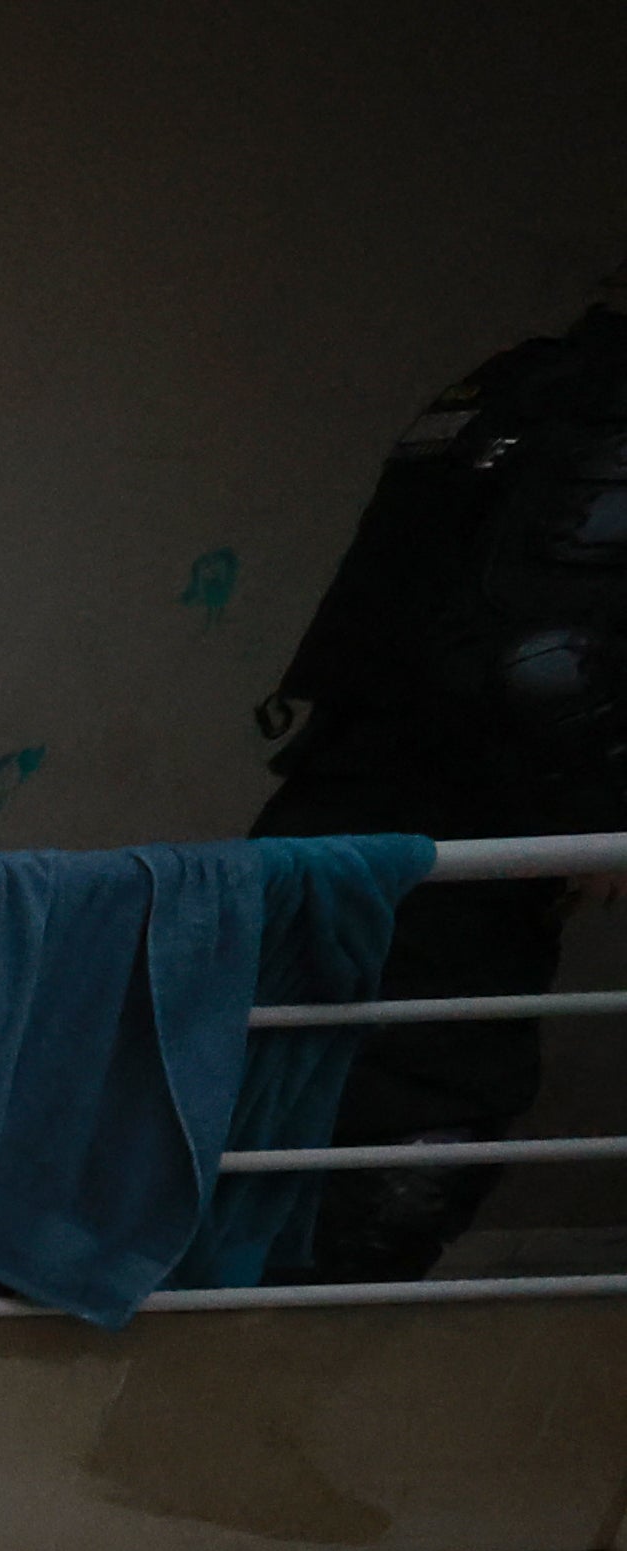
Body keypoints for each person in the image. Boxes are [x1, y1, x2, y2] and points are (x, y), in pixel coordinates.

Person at [242, 266, 627, 1286]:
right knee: (413, 1126)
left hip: (347, 801)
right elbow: (536, 657)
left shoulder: (513, 383)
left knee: (285, 1105)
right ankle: (244, 1405)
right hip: (450, 828)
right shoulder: (591, 402)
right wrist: (598, 809)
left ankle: (210, 1409)